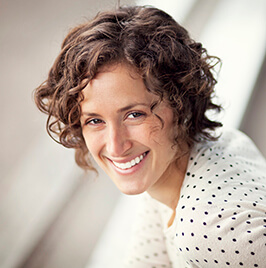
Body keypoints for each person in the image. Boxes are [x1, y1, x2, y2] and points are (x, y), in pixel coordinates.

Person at [34, 5, 266, 268]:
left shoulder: (208, 232)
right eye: (95, 121)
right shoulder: (185, 163)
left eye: (135, 115)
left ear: (181, 104)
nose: (116, 146)